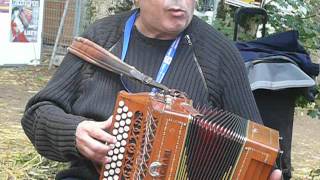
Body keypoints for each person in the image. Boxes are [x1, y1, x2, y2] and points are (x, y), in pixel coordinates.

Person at [21, 0, 282, 179]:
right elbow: (37, 113)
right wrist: (73, 132)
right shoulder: (101, 38)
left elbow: (261, 149)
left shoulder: (219, 55)